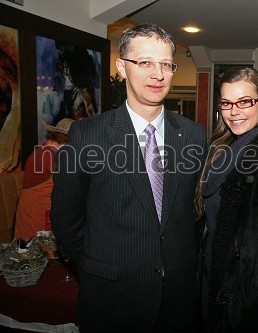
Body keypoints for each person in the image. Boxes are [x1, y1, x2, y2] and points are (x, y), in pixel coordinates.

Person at [51, 23, 206, 333]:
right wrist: (102, 266)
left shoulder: (192, 134)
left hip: (177, 299)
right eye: (145, 62)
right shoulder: (88, 135)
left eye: (166, 64)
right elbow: (66, 220)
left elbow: (192, 211)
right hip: (111, 297)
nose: (157, 74)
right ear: (122, 67)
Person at [197, 67, 258, 332]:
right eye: (227, 103)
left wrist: (256, 306)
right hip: (212, 272)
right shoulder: (223, 147)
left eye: (244, 102)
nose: (234, 111)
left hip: (241, 293)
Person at [14, 118, 73, 240]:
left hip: (45, 212)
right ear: (65, 139)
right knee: (30, 254)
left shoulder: (52, 151)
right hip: (34, 214)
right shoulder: (47, 155)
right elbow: (72, 180)